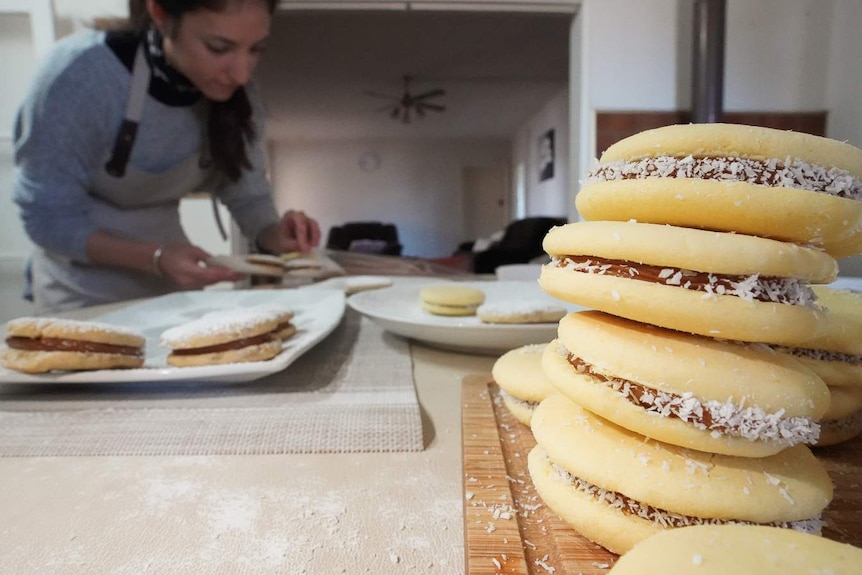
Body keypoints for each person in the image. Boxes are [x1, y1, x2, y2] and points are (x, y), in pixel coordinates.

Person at [12, 0, 321, 313]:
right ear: (160, 15)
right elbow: (47, 218)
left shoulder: (238, 96)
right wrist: (155, 258)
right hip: (80, 291)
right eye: (218, 47)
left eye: (256, 49)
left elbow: (247, 196)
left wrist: (275, 235)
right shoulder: (82, 76)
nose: (241, 74)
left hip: (169, 292)